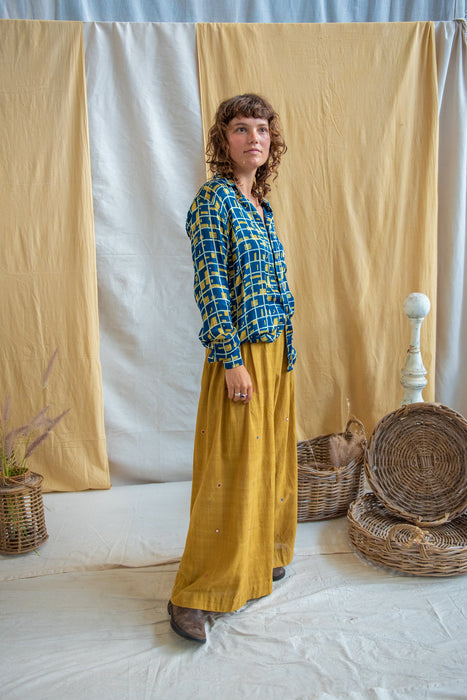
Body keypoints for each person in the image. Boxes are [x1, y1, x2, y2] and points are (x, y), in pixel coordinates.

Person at [168, 93, 297, 643]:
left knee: (267, 463)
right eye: (241, 128)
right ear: (224, 140)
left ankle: (257, 555)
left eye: (262, 129)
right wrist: (231, 360)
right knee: (230, 469)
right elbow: (212, 287)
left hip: (277, 352)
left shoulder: (261, 207)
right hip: (241, 354)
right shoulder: (213, 200)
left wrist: (284, 354)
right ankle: (195, 594)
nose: (254, 138)